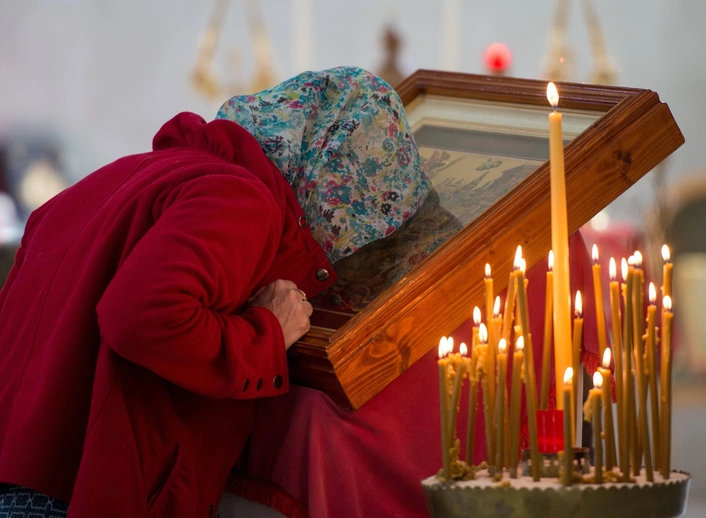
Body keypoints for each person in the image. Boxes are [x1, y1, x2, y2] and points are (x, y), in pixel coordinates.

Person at [0, 67, 430, 517]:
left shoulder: (134, 175)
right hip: (72, 495)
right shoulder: (242, 198)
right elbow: (140, 316)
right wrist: (266, 331)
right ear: (334, 182)